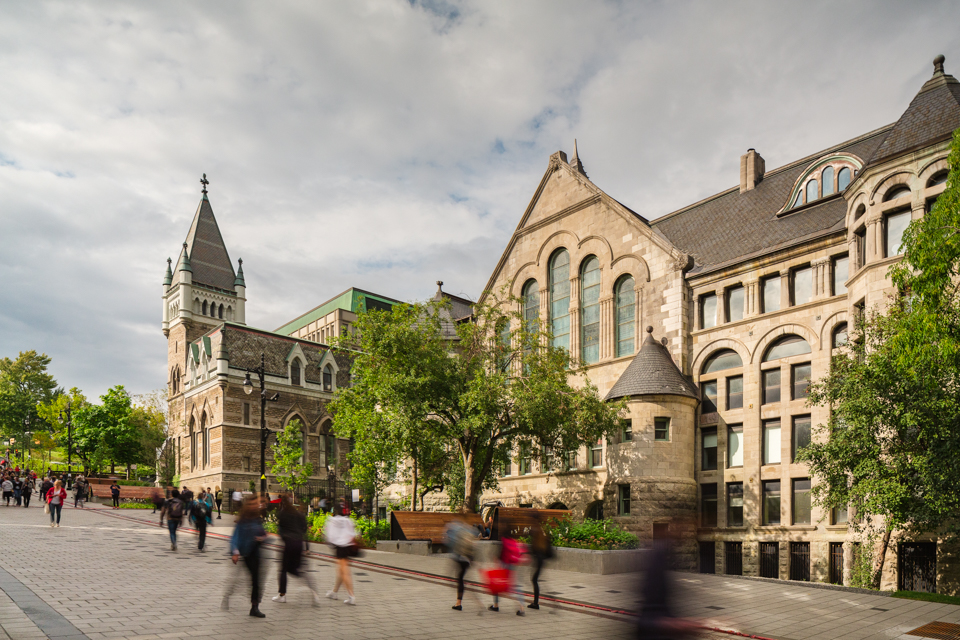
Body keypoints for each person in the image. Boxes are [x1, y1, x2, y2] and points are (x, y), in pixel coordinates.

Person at [272, 495, 320, 605]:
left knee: (284, 569)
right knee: (299, 570)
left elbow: (281, 531)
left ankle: (282, 595)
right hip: (299, 544)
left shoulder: (282, 514)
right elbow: (304, 532)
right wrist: (307, 548)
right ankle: (314, 592)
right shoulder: (299, 515)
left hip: (289, 544)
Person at [226, 496, 268, 617]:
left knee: (256, 580)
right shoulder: (243, 520)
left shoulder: (257, 519)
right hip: (246, 553)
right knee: (253, 578)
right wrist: (235, 551)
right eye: (251, 504)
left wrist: (263, 538)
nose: (254, 506)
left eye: (256, 503)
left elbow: (263, 534)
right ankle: (230, 594)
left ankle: (254, 607)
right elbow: (235, 537)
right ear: (247, 505)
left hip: (257, 552)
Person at [445, 511, 482, 612]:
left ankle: (464, 603)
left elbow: (449, 542)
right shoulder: (471, 529)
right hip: (468, 558)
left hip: (459, 557)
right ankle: (460, 603)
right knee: (462, 578)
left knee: (460, 579)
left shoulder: (457, 528)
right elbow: (476, 541)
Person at [323, 505, 357, 605]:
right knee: (341, 571)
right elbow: (353, 534)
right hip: (348, 547)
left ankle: (351, 596)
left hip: (339, 547)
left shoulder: (332, 521)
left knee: (344, 572)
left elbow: (330, 537)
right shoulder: (348, 521)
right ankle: (334, 592)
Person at [489, 535, 525, 615]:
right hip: (512, 564)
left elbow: (500, 554)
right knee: (515, 585)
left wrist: (497, 560)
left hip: (504, 564)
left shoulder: (503, 540)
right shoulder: (512, 540)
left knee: (497, 583)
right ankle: (521, 607)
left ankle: (496, 605)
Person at [528, 516, 554, 610]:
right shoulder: (542, 530)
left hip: (539, 558)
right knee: (535, 580)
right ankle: (536, 603)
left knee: (535, 580)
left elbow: (534, 545)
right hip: (540, 558)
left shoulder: (536, 530)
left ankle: (537, 603)